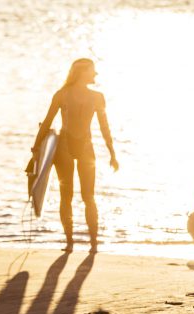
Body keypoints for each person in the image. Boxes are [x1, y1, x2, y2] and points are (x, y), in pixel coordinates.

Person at [32, 58, 119, 253]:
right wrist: (36, 149)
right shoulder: (61, 95)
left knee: (89, 197)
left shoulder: (98, 97)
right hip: (64, 148)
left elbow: (105, 127)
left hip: (86, 148)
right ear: (81, 73)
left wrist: (112, 153)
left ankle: (94, 244)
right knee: (67, 196)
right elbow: (47, 122)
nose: (95, 74)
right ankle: (69, 242)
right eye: (92, 71)